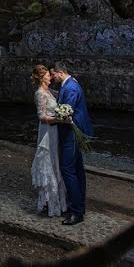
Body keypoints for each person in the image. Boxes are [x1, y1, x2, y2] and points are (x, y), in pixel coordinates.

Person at [49, 64, 93, 225]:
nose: (52, 77)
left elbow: (67, 111)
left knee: (68, 170)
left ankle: (76, 212)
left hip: (72, 133)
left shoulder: (71, 88)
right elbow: (62, 100)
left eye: (53, 74)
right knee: (77, 169)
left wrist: (50, 119)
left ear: (60, 73)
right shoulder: (68, 84)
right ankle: (78, 206)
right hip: (72, 132)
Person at [30, 64, 67, 217]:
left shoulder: (49, 91)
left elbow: (64, 93)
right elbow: (42, 117)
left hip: (55, 131)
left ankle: (59, 201)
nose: (51, 77)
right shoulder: (40, 93)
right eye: (47, 75)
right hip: (48, 131)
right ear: (41, 77)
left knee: (56, 163)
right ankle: (47, 201)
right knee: (48, 163)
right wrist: (59, 119)